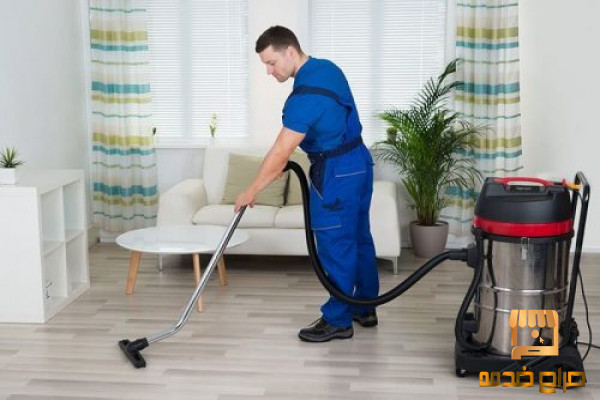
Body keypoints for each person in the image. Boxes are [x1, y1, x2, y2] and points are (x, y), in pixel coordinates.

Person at [234, 26, 379, 342]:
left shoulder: (304, 97)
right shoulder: (326, 68)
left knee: (335, 244)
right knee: (358, 237)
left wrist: (251, 190)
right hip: (359, 163)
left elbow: (281, 150)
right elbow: (329, 123)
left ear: (290, 51)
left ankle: (338, 320)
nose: (269, 71)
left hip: (336, 172)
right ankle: (365, 306)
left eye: (271, 63)